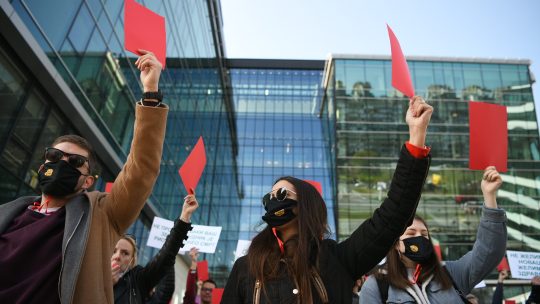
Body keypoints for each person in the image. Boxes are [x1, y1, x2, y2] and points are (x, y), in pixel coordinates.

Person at [222, 96, 434, 303]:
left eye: (281, 194)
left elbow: (393, 215)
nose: (272, 200)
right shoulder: (245, 267)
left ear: (306, 205)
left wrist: (417, 134)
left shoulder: (337, 260)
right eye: (268, 197)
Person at [0, 50, 167, 304]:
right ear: (42, 164)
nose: (62, 163)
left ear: (88, 180)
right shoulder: (8, 213)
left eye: (76, 162)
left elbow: (141, 170)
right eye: (55, 156)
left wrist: (150, 93)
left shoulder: (102, 215)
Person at [359, 166, 507, 303]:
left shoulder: (450, 273)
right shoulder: (377, 286)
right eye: (411, 233)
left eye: (424, 234)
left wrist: (489, 197)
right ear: (397, 243)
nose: (419, 237)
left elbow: (489, 252)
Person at [112, 194, 199, 304]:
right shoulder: (90, 276)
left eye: (125, 253)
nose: (117, 256)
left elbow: (165, 257)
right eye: (113, 251)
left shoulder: (137, 280)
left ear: (132, 261)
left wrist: (185, 216)